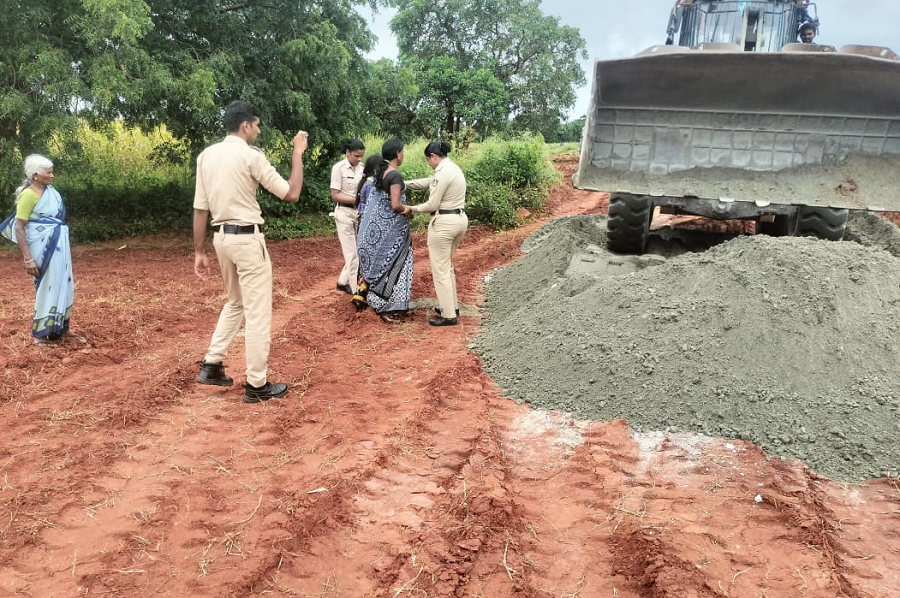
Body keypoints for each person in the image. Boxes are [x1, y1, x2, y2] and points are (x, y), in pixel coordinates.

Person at [193, 100, 307, 404]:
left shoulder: (206, 156)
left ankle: (212, 364)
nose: (258, 131)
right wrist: (298, 153)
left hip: (221, 240)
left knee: (236, 302)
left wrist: (198, 251)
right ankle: (257, 385)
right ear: (245, 125)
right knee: (257, 313)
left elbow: (200, 207)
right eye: (256, 125)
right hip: (247, 239)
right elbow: (291, 193)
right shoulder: (250, 156)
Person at [0, 155, 74, 345]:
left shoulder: (51, 192)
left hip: (58, 245)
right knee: (48, 285)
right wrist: (28, 258)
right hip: (42, 247)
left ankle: (59, 328)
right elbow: (19, 226)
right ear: (35, 175)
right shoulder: (28, 195)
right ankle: (41, 335)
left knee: (63, 284)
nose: (52, 175)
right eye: (48, 172)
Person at [406, 141, 468, 327]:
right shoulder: (452, 168)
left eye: (428, 160)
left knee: (440, 270)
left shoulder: (443, 172)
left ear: (433, 156)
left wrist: (411, 208)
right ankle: (451, 306)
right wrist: (404, 183)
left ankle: (449, 315)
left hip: (444, 224)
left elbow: (432, 205)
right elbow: (428, 181)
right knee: (446, 267)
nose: (429, 164)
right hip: (459, 220)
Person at [356, 139, 414, 323]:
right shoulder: (395, 175)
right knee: (398, 264)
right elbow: (396, 205)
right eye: (402, 151)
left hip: (376, 231)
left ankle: (375, 299)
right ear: (397, 154)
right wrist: (409, 210)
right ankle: (387, 306)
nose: (403, 154)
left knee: (383, 265)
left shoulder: (381, 173)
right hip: (394, 231)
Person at [330, 139, 366, 295]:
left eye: (361, 157)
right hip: (344, 213)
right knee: (352, 254)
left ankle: (342, 282)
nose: (359, 159)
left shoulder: (362, 169)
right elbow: (335, 195)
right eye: (356, 156)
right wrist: (355, 200)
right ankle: (355, 289)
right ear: (348, 153)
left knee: (357, 251)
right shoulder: (338, 168)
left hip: (358, 213)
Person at [351, 154, 383, 311]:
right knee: (374, 259)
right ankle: (367, 294)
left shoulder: (364, 184)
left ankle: (360, 292)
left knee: (364, 260)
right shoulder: (372, 186)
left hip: (361, 223)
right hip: (370, 226)